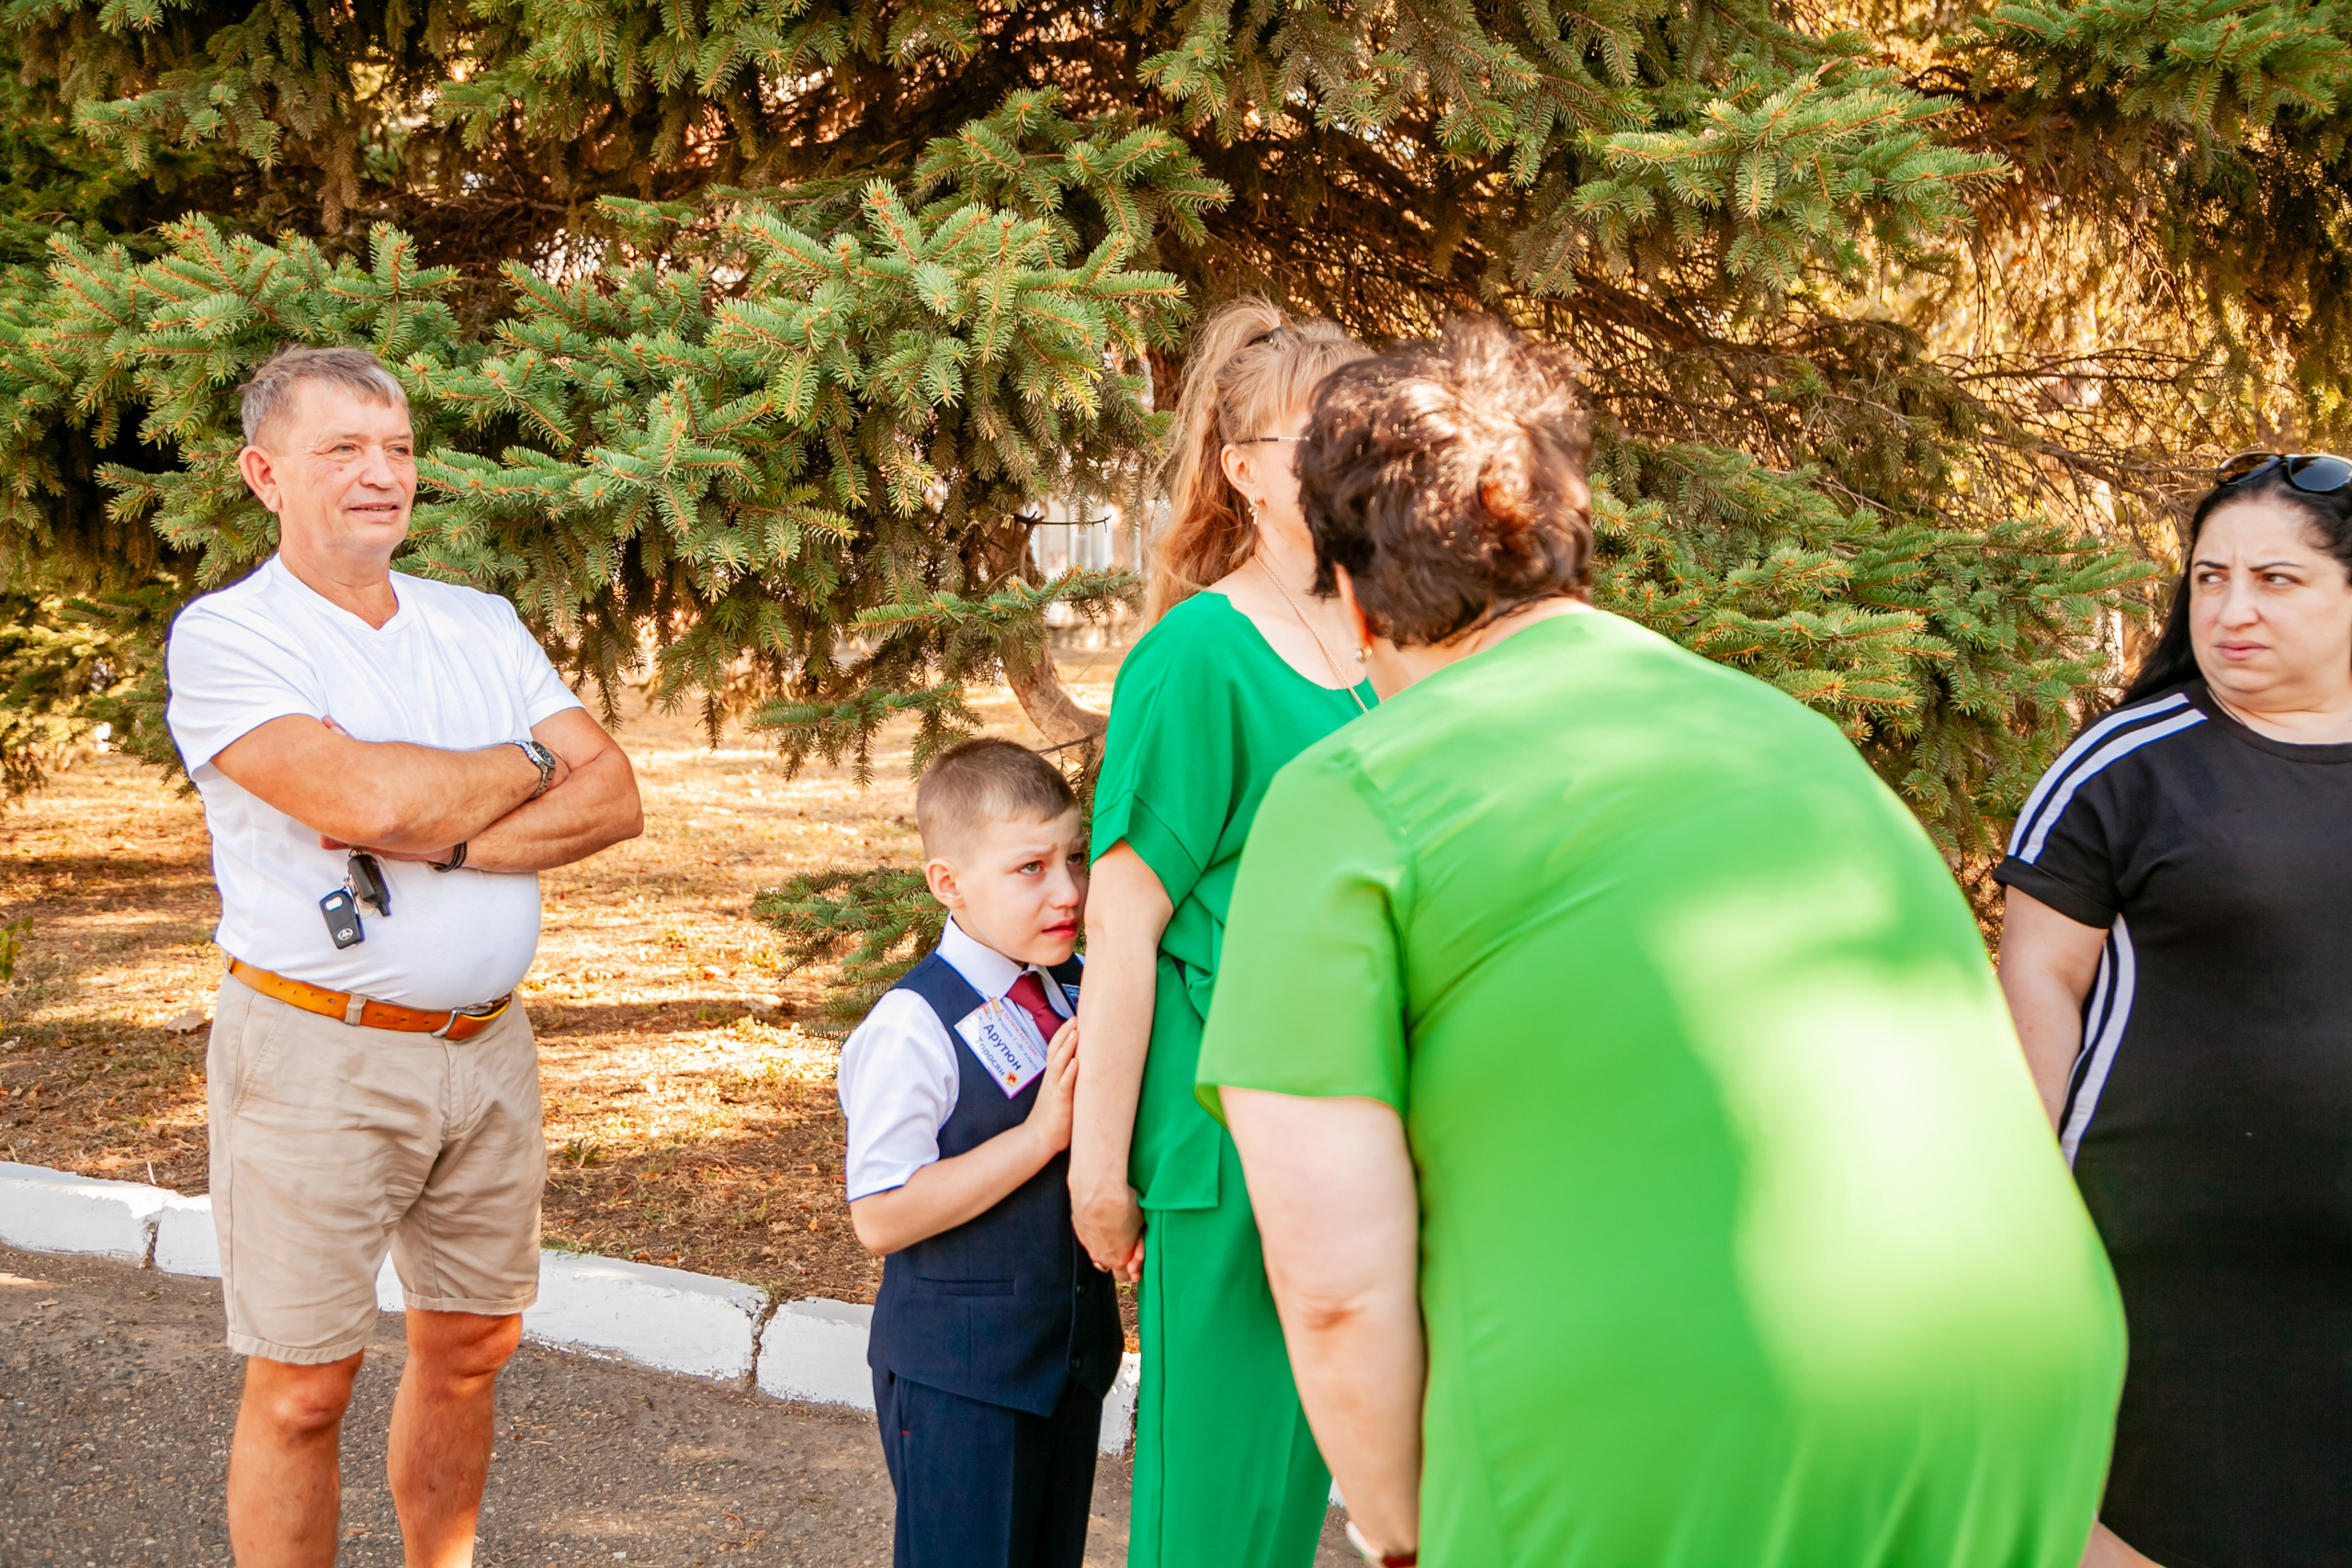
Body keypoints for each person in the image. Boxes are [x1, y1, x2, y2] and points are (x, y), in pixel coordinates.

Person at [1193, 318, 2129, 1568]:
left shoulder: (1349, 797)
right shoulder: (1786, 735)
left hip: (1672, 1433)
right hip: (2020, 1385)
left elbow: (1332, 1275)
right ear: (1573, 551)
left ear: (1354, 599)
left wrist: (1409, 1523)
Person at [164, 344, 642, 1565]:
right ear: (264, 473)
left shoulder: (476, 622)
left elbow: (617, 792)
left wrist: (454, 836)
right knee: (302, 1385)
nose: (382, 474)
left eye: (399, 448)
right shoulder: (230, 637)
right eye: (343, 450)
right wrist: (531, 760)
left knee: (473, 1349)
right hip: (316, 1052)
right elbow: (369, 794)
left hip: (487, 1048)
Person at [1996, 452, 2352, 1568]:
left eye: (2275, 581)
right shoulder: (2127, 766)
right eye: (2208, 579)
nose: (2231, 610)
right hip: (2162, 1258)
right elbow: (2037, 977)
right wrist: (2020, 1198)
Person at [1068, 298, 1372, 1568]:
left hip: (1385, 1112)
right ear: (1244, 470)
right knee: (1224, 1515)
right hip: (1234, 1130)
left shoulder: (1401, 639)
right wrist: (1100, 1166)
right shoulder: (1197, 656)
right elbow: (1125, 921)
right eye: (1322, 437)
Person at [839, 738, 1123, 1568]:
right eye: (1029, 868)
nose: (1067, 889)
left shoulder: (1072, 982)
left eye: (1074, 857)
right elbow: (881, 1214)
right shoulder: (909, 1026)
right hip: (960, 1381)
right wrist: (1040, 1137)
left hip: (1065, 1363)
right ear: (948, 883)